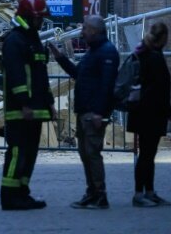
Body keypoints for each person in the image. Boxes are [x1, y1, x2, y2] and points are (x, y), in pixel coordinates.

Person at [49, 15, 119, 209]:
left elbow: (107, 85)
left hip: (93, 114)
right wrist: (60, 58)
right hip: (84, 113)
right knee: (85, 154)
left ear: (95, 31)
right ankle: (92, 193)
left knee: (92, 154)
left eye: (85, 29)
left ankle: (100, 196)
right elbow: (78, 74)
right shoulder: (93, 52)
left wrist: (99, 112)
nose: (81, 32)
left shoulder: (107, 52)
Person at [0, 0, 57, 210]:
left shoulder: (33, 39)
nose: (41, 22)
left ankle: (23, 192)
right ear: (29, 17)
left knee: (30, 154)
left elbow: (41, 75)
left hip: (36, 109)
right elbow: (16, 75)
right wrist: (25, 103)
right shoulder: (15, 41)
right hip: (20, 111)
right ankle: (9, 196)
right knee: (17, 152)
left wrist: (49, 101)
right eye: (39, 18)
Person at [126, 21, 171, 207]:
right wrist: (169, 112)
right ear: (163, 38)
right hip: (150, 114)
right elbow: (159, 89)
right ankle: (140, 194)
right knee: (147, 155)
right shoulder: (154, 57)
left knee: (147, 154)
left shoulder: (142, 52)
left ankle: (148, 192)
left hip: (140, 112)